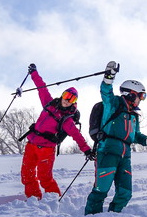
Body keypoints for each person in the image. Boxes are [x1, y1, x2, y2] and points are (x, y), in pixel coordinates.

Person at [86, 63, 147, 214]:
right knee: (101, 189)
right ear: (132, 93)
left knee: (125, 192)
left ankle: (114, 216)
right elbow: (105, 92)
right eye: (141, 96)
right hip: (108, 150)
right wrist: (109, 77)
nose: (142, 100)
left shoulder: (134, 116)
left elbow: (136, 136)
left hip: (125, 155)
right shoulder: (113, 104)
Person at [20, 63, 94, 199]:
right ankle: (33, 198)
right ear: (62, 95)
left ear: (74, 102)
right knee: (26, 174)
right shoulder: (49, 103)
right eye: (66, 96)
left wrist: (87, 150)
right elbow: (41, 87)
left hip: (47, 150)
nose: (67, 100)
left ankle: (53, 199)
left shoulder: (67, 120)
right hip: (31, 145)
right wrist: (33, 73)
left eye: (72, 99)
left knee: (44, 178)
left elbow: (77, 136)